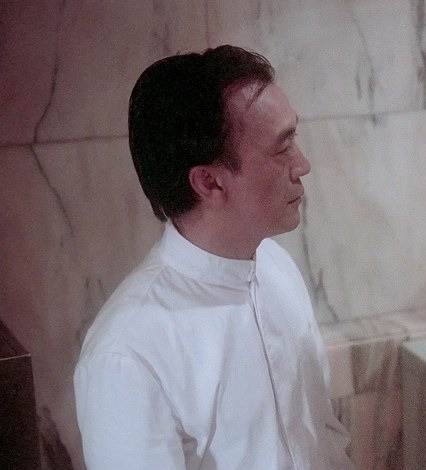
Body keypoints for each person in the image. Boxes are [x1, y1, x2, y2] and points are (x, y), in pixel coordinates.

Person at [73, 45, 353, 469]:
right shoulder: (127, 353)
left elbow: (324, 438)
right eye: (282, 148)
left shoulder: (277, 267)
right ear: (209, 183)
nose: (303, 165)